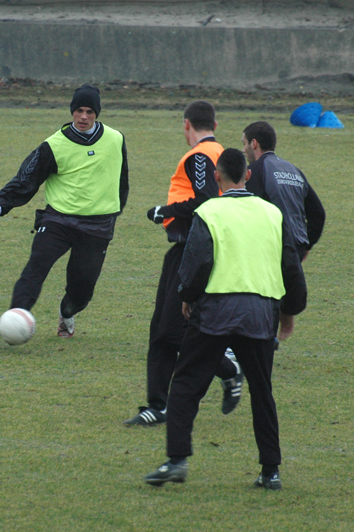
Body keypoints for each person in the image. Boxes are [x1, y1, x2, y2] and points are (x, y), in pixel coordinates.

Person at [143, 148, 306, 489]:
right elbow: (290, 264)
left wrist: (187, 297)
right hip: (260, 314)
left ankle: (176, 460)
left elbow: (198, 260)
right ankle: (270, 471)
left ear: (217, 177)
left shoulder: (209, 209)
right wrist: (290, 311)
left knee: (186, 384)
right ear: (248, 175)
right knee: (263, 393)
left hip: (215, 312)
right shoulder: (271, 213)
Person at [123, 101, 242, 427]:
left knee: (172, 330)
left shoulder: (200, 156)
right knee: (162, 330)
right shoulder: (220, 151)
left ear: (186, 125)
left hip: (193, 250)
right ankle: (158, 405)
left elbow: (205, 200)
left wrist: (166, 211)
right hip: (188, 249)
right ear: (214, 123)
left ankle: (227, 367)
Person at [0, 84, 128, 338]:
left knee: (81, 291)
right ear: (72, 112)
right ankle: (13, 319)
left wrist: (113, 211)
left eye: (89, 111)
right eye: (78, 111)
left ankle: (67, 314)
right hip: (58, 220)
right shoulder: (54, 145)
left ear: (97, 114)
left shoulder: (115, 139)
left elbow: (121, 179)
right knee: (35, 267)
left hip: (97, 226)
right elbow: (26, 179)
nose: (83, 116)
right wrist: (1, 205)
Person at [241, 121, 325, 340]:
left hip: (272, 247)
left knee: (260, 295)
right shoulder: (293, 170)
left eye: (244, 144)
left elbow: (252, 209)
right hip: (295, 246)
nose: (243, 150)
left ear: (254, 143)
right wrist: (307, 243)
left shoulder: (254, 171)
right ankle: (274, 334)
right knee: (279, 292)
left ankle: (264, 341)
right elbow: (318, 213)